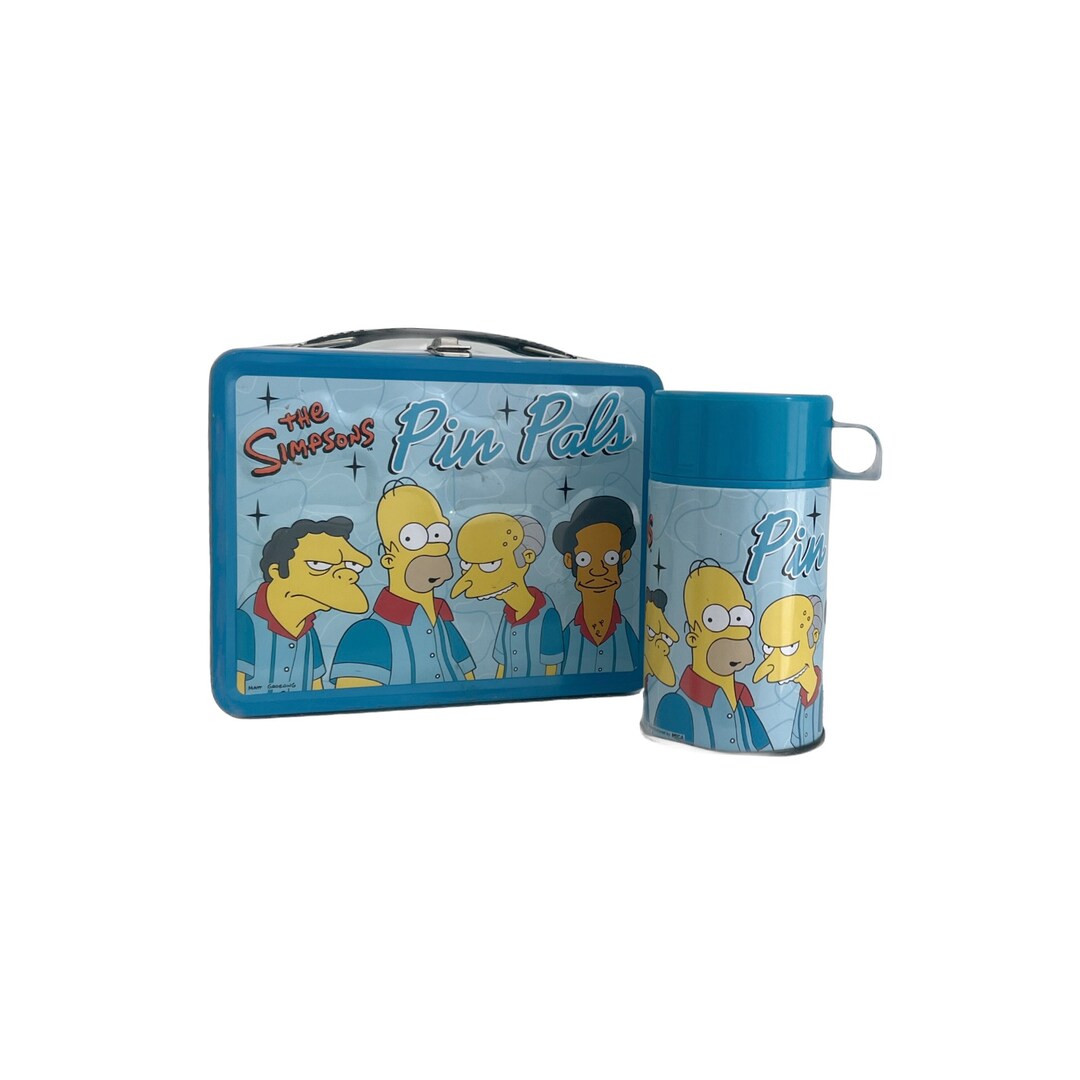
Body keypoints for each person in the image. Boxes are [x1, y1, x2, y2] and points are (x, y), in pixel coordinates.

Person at [331, 479, 475, 686]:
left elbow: (470, 685)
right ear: (388, 558)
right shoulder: (368, 633)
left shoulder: (444, 623)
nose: (432, 548)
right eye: (412, 538)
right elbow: (357, 699)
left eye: (437, 534)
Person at [236, 516, 371, 694]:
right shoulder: (244, 622)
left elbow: (316, 687)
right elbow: (237, 686)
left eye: (352, 566)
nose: (348, 575)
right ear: (276, 571)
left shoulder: (307, 633)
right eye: (318, 564)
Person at [653, 560, 772, 751]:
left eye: (739, 617)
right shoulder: (677, 705)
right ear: (692, 636)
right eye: (715, 619)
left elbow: (764, 747)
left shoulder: (743, 702)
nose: (734, 633)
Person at [450, 512, 564, 677]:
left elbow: (552, 668)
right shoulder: (508, 615)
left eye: (491, 564)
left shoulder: (547, 615)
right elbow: (502, 664)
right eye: (466, 565)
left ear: (527, 557)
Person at [553, 495, 638, 675]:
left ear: (624, 557)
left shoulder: (627, 633)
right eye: (584, 559)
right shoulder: (567, 637)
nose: (598, 571)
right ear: (569, 561)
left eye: (610, 558)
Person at [753, 594, 824, 748]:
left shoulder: (810, 696)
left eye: (789, 647)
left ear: (814, 636)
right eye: (768, 648)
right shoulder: (801, 697)